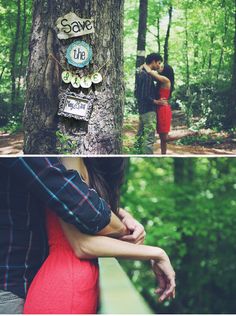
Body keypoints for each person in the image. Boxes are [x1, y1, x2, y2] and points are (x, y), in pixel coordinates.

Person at [23, 157, 176, 314]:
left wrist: (124, 216)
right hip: (64, 290)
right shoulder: (70, 160)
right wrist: (157, 253)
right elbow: (82, 245)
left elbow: (93, 207)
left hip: (76, 285)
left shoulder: (91, 168)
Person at [0, 157, 145, 314]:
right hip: (27, 286)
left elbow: (80, 199)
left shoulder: (73, 163)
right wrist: (148, 248)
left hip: (41, 279)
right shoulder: (67, 161)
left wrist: (122, 216)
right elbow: (79, 206)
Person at [135, 53, 166, 154]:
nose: (159, 65)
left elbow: (137, 93)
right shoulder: (146, 75)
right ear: (153, 61)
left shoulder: (140, 73)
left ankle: (135, 153)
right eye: (158, 63)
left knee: (139, 137)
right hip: (149, 110)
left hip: (142, 109)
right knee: (149, 139)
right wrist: (156, 102)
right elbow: (145, 94)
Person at [143, 63, 175, 154]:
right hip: (159, 108)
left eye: (161, 67)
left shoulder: (166, 80)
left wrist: (144, 64)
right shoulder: (161, 81)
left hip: (163, 110)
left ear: (166, 71)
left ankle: (189, 133)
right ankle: (163, 155)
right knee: (162, 138)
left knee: (165, 138)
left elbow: (149, 71)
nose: (159, 67)